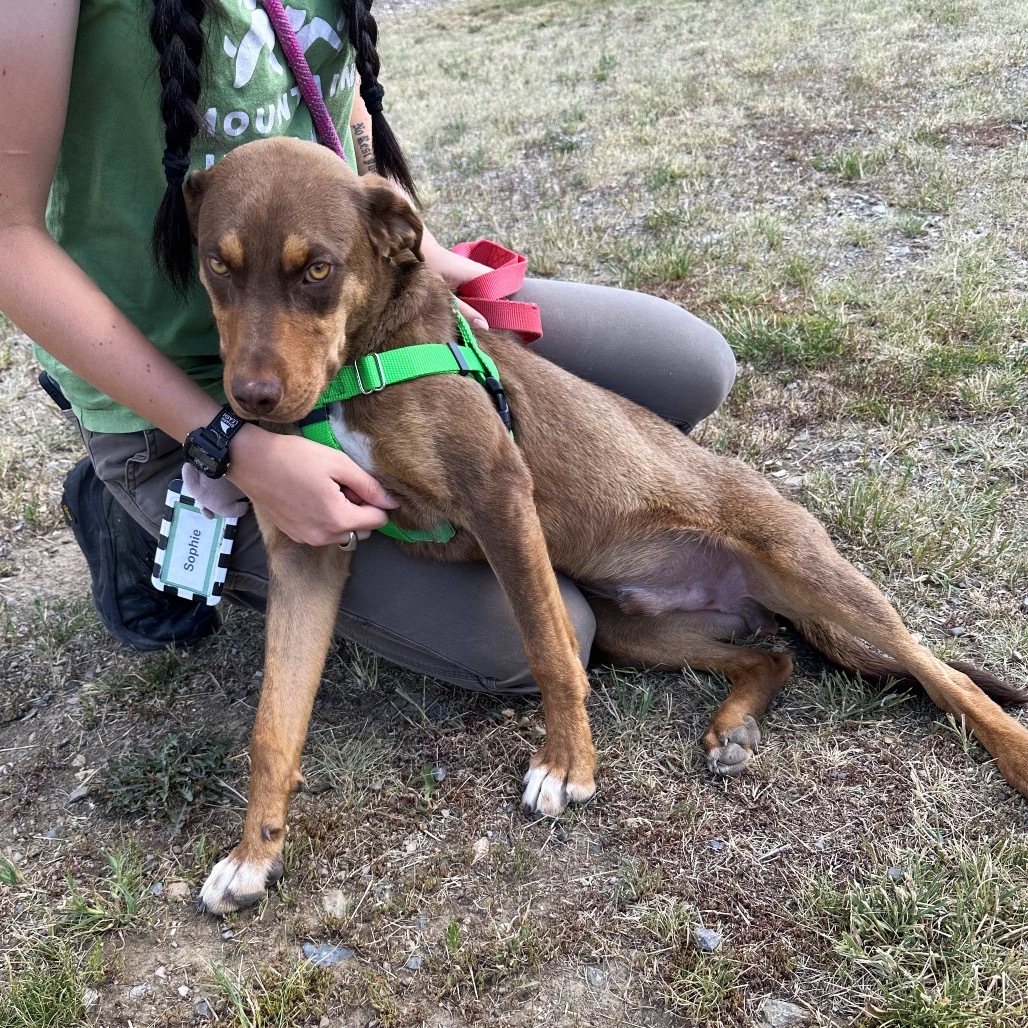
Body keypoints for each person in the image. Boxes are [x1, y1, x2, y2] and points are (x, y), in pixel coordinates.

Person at [0, 0, 736, 692]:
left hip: (346, 326)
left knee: (686, 369)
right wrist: (228, 444)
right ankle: (130, 502)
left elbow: (325, 84)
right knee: (544, 636)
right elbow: (8, 238)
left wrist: (434, 260)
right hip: (178, 391)